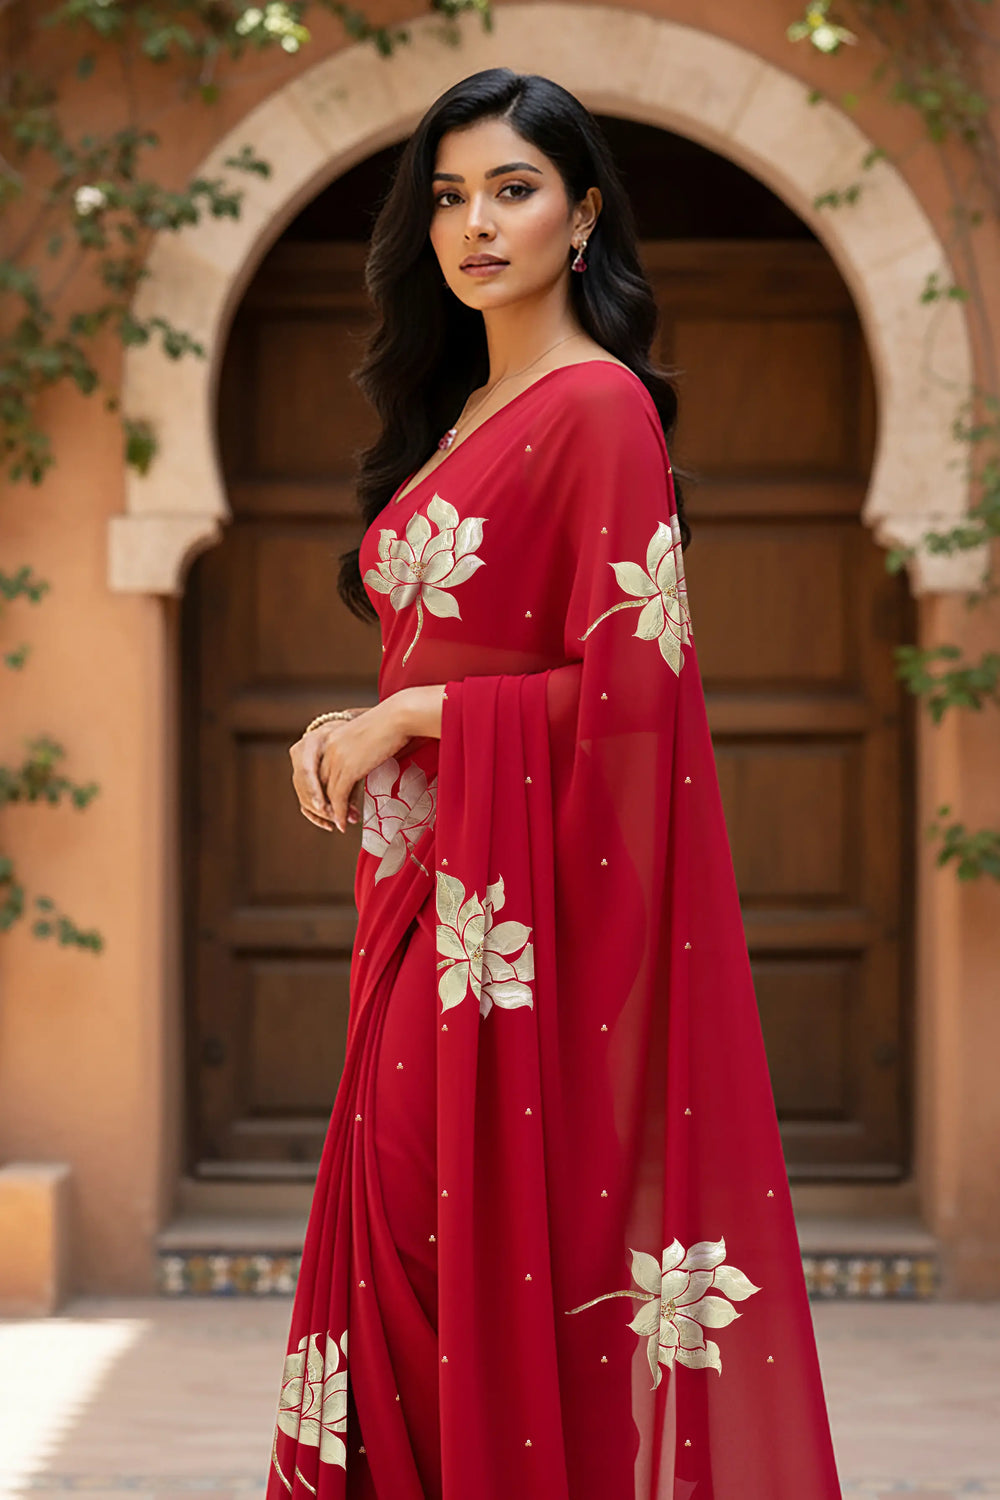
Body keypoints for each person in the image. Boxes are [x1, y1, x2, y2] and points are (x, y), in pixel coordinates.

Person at [267, 66, 841, 1500]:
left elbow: (639, 705)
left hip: (505, 939)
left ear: (582, 217)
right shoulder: (468, 412)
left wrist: (412, 714)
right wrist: (381, 716)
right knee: (407, 1261)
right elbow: (471, 651)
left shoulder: (596, 412)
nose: (475, 223)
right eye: (448, 196)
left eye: (512, 190)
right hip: (421, 907)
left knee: (430, 1253)